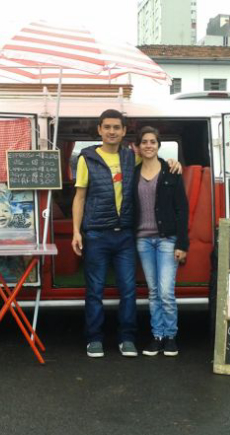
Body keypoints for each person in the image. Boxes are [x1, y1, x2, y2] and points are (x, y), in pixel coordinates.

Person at [71, 110, 181, 358]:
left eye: (117, 127)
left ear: (123, 132)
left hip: (126, 236)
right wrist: (76, 232)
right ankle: (95, 339)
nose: (112, 131)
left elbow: (154, 161)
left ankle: (127, 338)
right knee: (95, 290)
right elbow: (79, 197)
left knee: (128, 290)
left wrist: (173, 163)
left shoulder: (132, 156)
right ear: (99, 129)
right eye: (107, 127)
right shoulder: (86, 158)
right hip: (96, 234)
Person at [134, 127, 189, 357]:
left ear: (158, 145)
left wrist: (182, 244)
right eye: (144, 142)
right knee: (153, 291)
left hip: (168, 240)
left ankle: (171, 337)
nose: (148, 145)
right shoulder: (133, 173)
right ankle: (157, 336)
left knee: (166, 291)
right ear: (138, 146)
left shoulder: (171, 171)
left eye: (153, 142)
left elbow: (182, 209)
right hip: (143, 241)